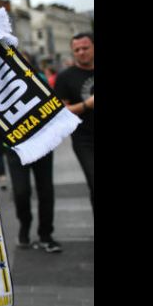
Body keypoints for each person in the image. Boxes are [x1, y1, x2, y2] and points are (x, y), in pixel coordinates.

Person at [54, 32, 94, 213]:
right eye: (77, 50)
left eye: (85, 48)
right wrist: (86, 105)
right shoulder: (65, 77)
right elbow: (61, 111)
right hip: (85, 139)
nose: (81, 52)